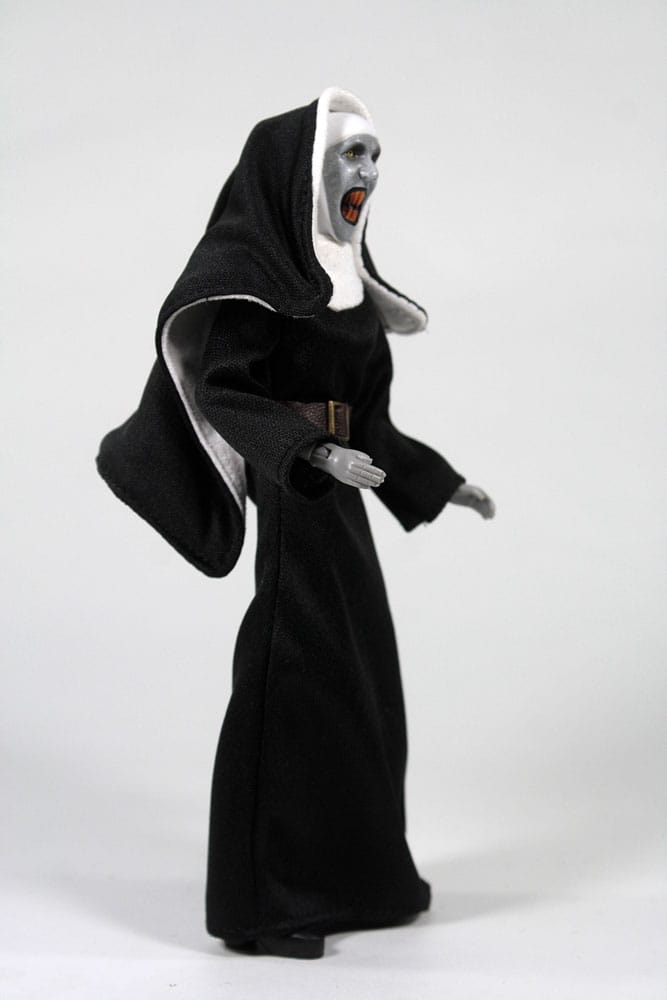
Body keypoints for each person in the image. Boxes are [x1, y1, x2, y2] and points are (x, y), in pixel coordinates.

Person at [97, 87, 495, 960]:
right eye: (352, 153)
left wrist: (441, 483)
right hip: (292, 499)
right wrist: (311, 453)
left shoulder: (348, 292)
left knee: (363, 683)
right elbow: (225, 391)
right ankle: (263, 905)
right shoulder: (258, 285)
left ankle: (362, 880)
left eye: (375, 154)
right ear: (301, 168)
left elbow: (372, 421)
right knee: (291, 684)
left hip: (338, 503)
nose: (369, 170)